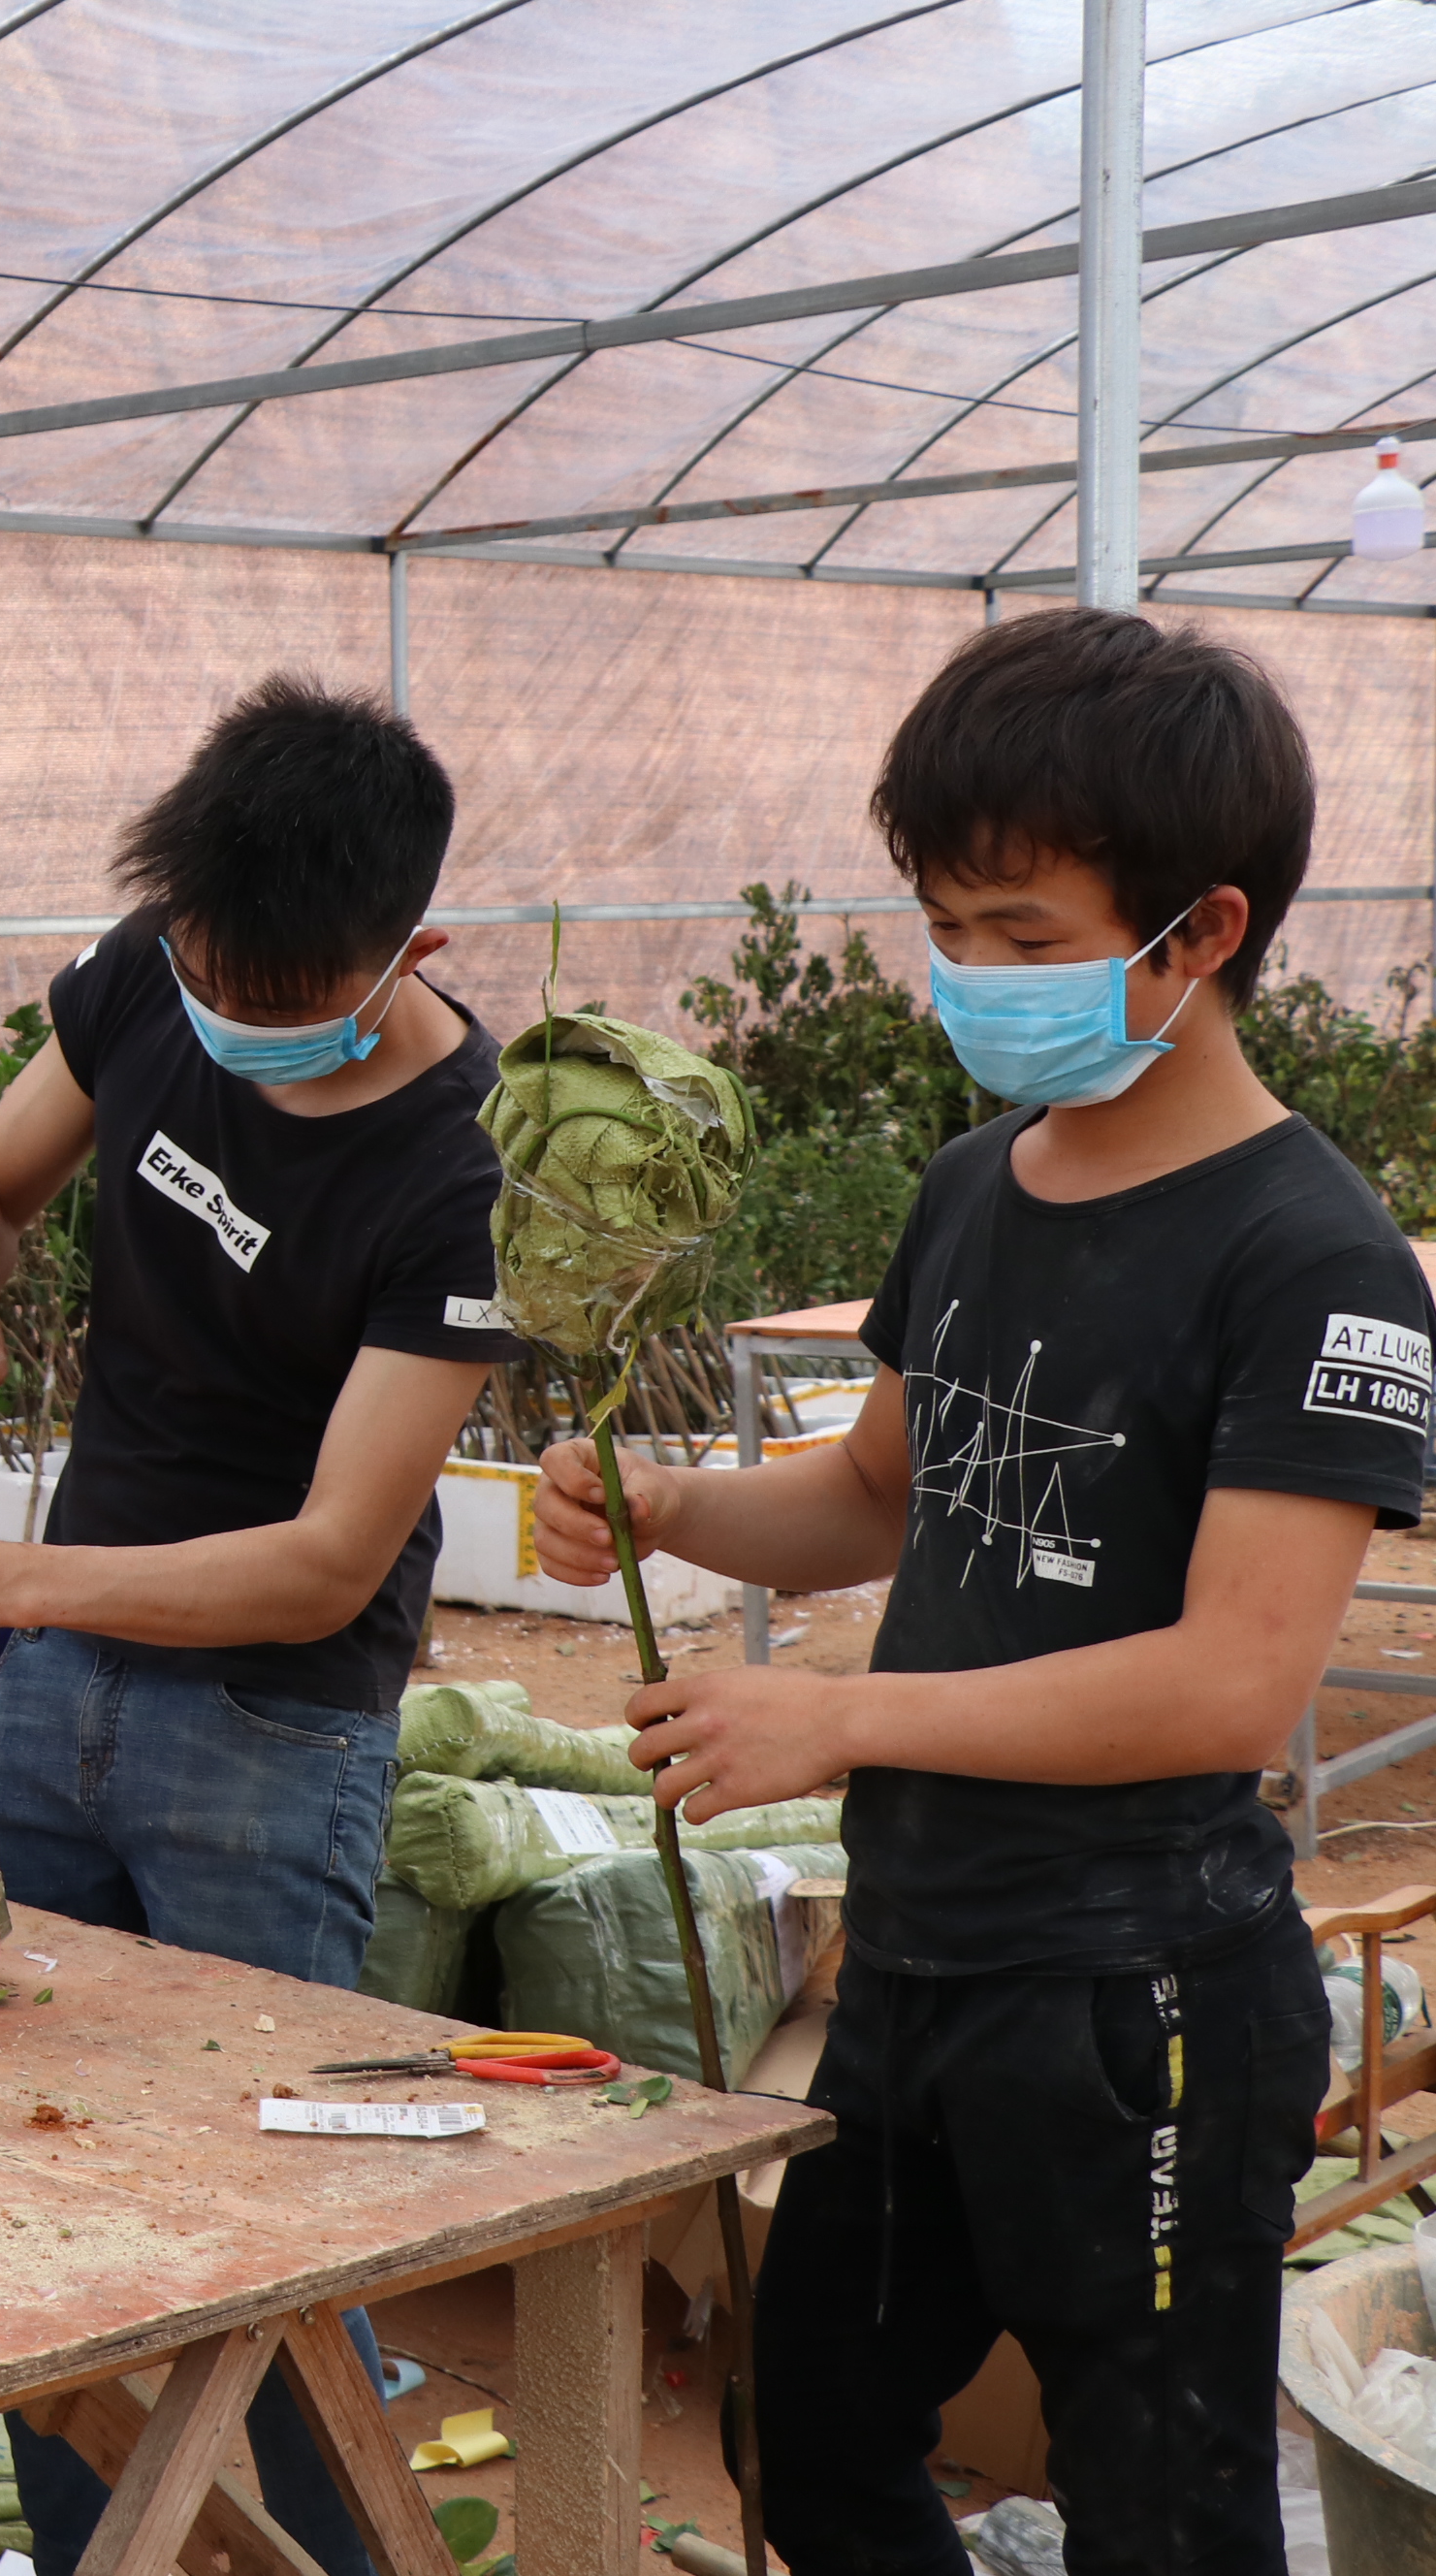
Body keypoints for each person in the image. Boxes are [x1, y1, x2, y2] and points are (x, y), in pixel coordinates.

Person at [536, 610, 1419, 2573]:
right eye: (951, 925)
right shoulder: (971, 1186)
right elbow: (874, 1498)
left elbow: (1226, 1679)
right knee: (818, 2440)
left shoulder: (1315, 1260)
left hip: (1143, 1996)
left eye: (1028, 939)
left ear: (1199, 931)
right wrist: (672, 1499)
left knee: (1162, 2514)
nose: (974, 978)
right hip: (918, 1963)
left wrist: (835, 1713)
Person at [0, 676, 524, 2575]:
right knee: (44, 2181)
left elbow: (328, 1557)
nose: (227, 1016)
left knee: (275, 2226)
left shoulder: (455, 1168)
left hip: (266, 1740)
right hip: (55, 1699)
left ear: (407, 951)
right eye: (204, 967)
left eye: (278, 998)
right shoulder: (150, 967)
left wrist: (2, 1579)